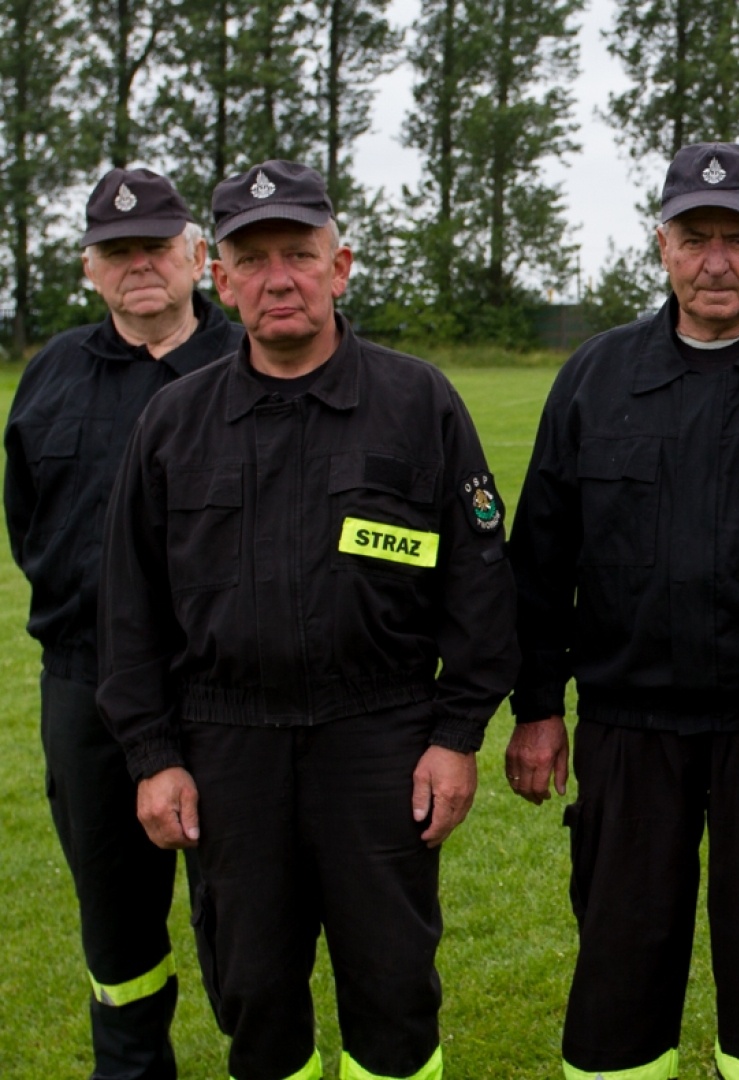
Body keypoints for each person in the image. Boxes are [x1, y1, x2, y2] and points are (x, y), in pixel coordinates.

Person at [97, 159, 518, 1080]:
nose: (277, 277)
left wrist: (456, 735)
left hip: (378, 741)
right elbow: (128, 613)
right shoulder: (173, 424)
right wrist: (154, 756)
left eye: (300, 253)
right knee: (253, 995)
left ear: (342, 264)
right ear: (220, 276)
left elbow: (480, 585)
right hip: (226, 746)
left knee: (396, 987)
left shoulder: (418, 405)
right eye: (252, 259)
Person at [505, 142, 739, 1080]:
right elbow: (539, 556)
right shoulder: (597, 376)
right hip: (631, 729)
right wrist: (539, 708)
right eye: (693, 237)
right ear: (659, 246)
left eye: (736, 238)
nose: (715, 260)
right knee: (620, 967)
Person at [4, 167, 240, 1080]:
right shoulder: (52, 375)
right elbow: (29, 517)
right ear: (89, 269)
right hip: (87, 684)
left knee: (242, 909)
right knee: (115, 913)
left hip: (223, 684)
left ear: (196, 257)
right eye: (117, 252)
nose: (140, 265)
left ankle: (256, 1049)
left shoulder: (249, 359)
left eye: (157, 246)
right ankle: (131, 1067)